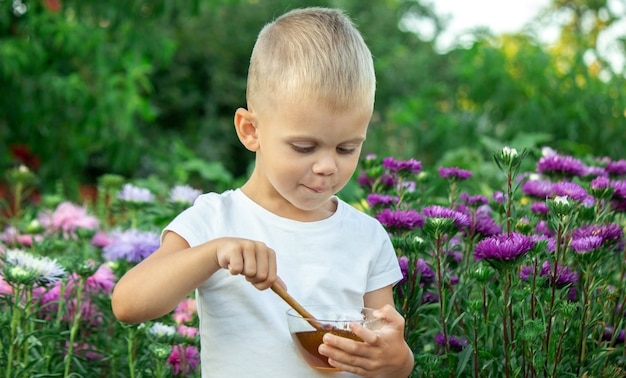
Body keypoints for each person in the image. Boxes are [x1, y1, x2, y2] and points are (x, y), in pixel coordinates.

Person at [111, 6, 414, 377]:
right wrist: (214, 252)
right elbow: (128, 303)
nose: (327, 166)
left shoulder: (366, 237)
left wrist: (397, 362)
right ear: (250, 130)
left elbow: (385, 350)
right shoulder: (215, 220)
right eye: (304, 147)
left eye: (347, 148)